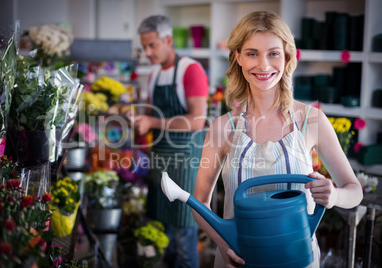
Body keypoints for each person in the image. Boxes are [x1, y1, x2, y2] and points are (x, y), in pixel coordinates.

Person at [191, 11, 363, 268]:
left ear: (287, 57)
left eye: (273, 53)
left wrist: (335, 195)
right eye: (252, 53)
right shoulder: (222, 128)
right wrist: (224, 245)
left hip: (298, 260)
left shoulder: (311, 121)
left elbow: (355, 190)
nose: (263, 65)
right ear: (237, 56)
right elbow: (200, 202)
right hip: (238, 260)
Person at [134, 15, 209, 268]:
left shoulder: (191, 70)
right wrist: (135, 116)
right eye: (144, 46)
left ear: (168, 40)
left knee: (184, 233)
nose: (147, 52)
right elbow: (152, 114)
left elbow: (197, 120)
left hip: (185, 161)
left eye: (152, 45)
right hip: (160, 159)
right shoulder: (154, 74)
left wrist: (151, 123)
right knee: (161, 228)